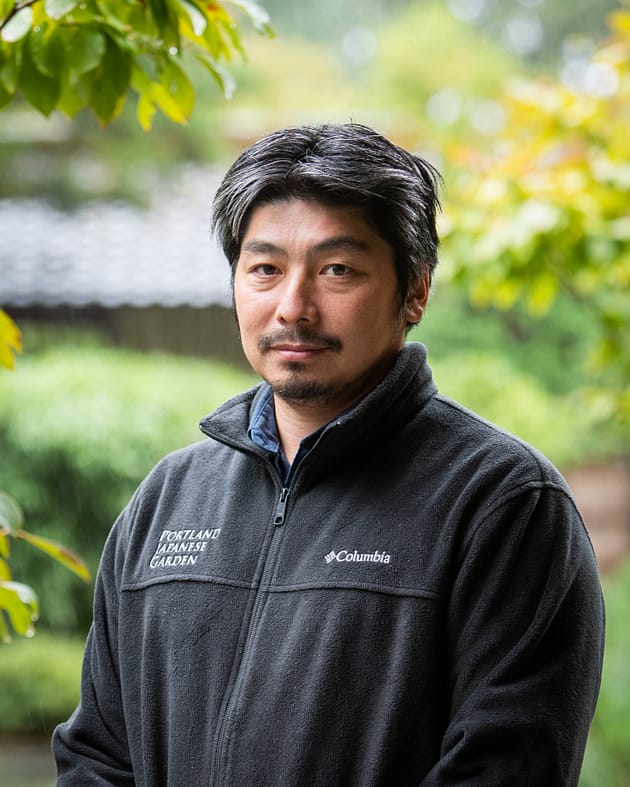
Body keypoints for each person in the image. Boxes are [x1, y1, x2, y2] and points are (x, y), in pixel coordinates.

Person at [53, 123, 604, 786]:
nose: (294, 307)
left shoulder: (502, 502)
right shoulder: (169, 498)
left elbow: (507, 768)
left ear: (415, 290)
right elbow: (96, 753)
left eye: (337, 270)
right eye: (265, 269)